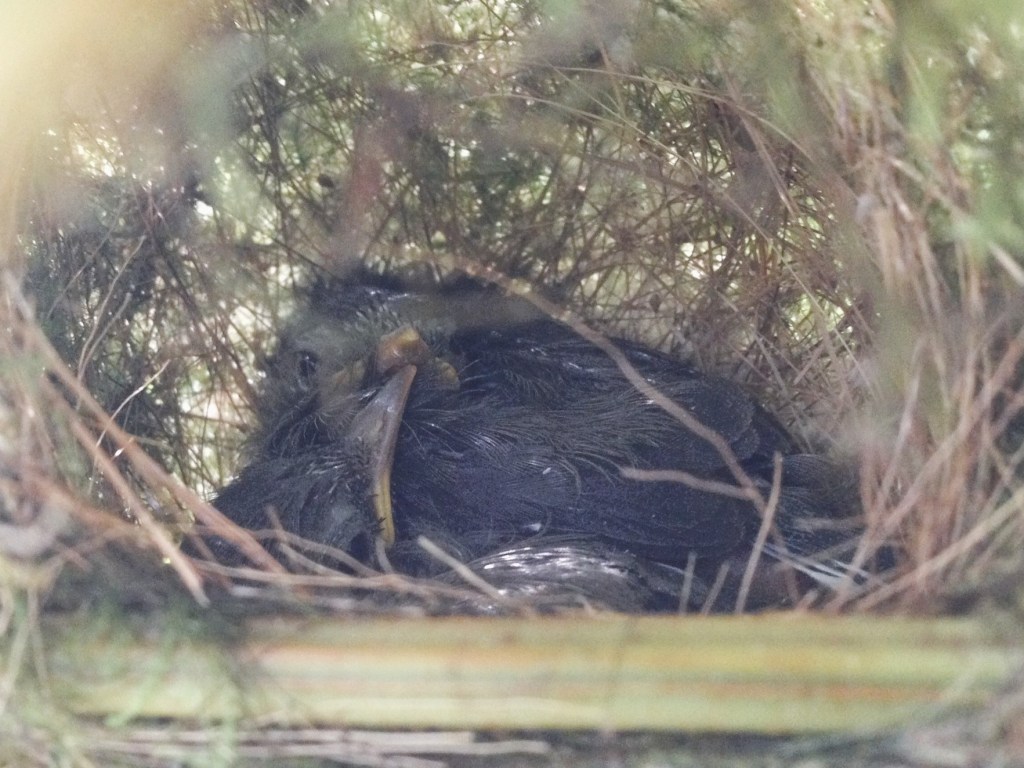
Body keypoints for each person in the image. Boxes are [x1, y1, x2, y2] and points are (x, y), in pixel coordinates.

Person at [200, 273, 873, 611]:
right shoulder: (308, 478)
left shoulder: (488, 362)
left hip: (737, 515)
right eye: (316, 369)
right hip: (730, 518)